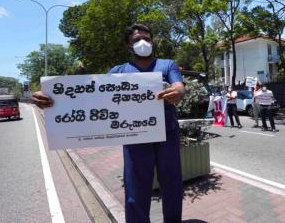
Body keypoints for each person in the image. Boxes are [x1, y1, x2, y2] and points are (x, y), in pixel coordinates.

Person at [32, 24, 185, 223]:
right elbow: (91, 96)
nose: (143, 43)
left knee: (172, 185)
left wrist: (179, 91)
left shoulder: (168, 64)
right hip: (134, 138)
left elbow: (178, 85)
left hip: (168, 135)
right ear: (128, 46)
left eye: (147, 38)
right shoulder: (118, 71)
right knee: (135, 190)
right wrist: (53, 99)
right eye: (137, 39)